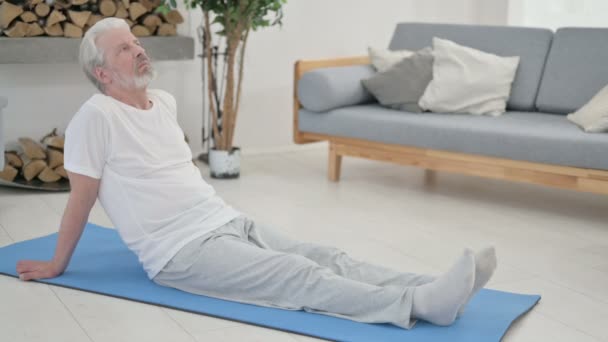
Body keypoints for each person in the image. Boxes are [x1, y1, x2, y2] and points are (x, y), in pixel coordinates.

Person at [15, 18, 497, 330]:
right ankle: (416, 306)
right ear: (102, 73)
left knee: (326, 254)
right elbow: (81, 197)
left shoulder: (162, 102)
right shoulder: (95, 117)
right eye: (124, 50)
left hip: (222, 220)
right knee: (298, 274)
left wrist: (228, 222)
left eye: (137, 42)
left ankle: (432, 284)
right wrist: (58, 263)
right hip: (179, 252)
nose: (139, 51)